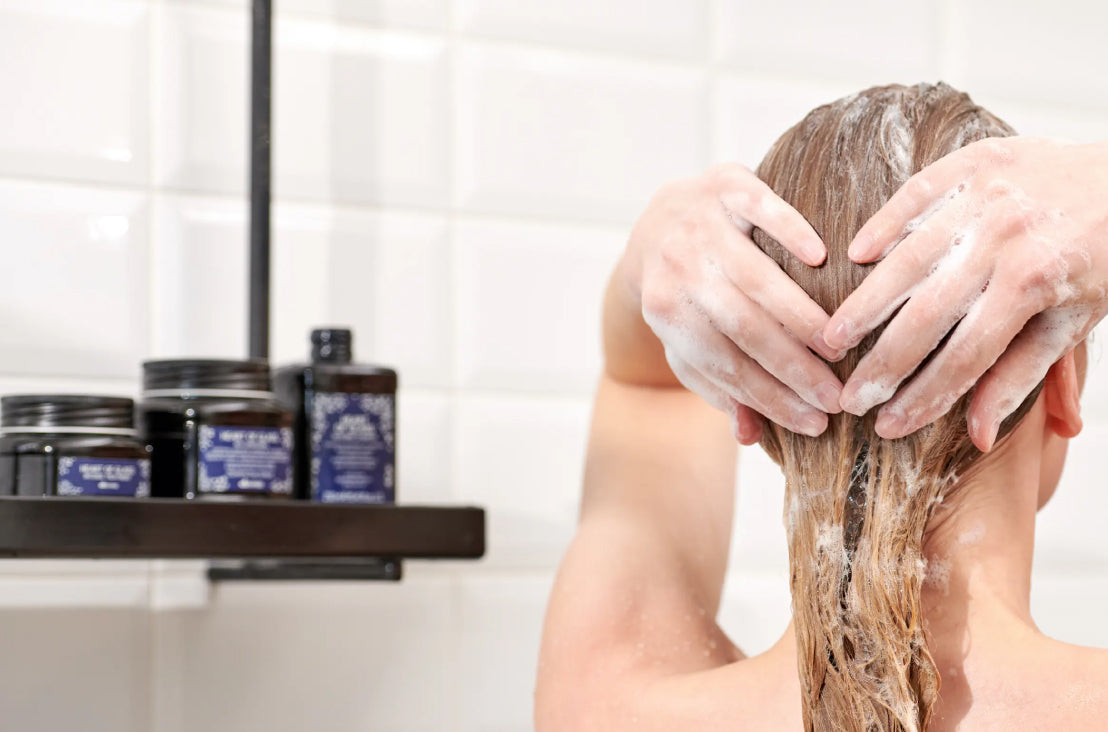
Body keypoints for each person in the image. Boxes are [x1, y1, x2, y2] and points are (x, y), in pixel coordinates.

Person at [535, 83, 1108, 731]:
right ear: (1064, 380)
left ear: (744, 388)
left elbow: (644, 386)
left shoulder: (610, 707)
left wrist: (649, 257)